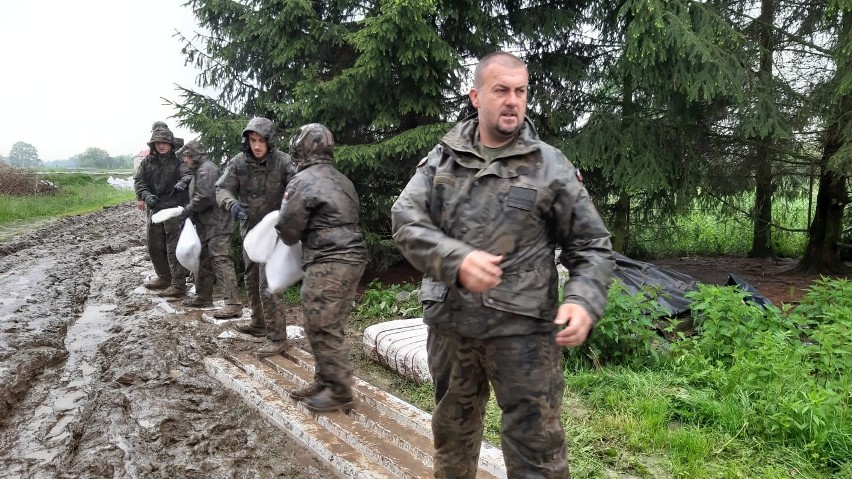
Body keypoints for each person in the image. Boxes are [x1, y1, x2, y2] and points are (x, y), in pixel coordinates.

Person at [391, 52, 615, 478]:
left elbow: (590, 244)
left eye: (520, 91)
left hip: (523, 335)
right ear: (476, 97)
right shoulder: (444, 159)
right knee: (452, 440)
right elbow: (405, 219)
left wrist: (583, 299)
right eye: (501, 90)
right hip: (452, 330)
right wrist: (455, 260)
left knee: (538, 451)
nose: (513, 100)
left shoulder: (550, 166)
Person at [275, 123, 367, 413]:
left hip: (329, 259)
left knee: (321, 323)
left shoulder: (302, 181)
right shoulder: (344, 180)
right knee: (330, 321)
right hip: (352, 258)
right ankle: (325, 378)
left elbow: (289, 229)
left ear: (300, 148)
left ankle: (339, 391)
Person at [216, 117, 296, 357]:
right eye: (253, 140)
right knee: (251, 279)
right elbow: (222, 188)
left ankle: (278, 337)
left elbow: (298, 188)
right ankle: (259, 323)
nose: (257, 145)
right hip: (250, 231)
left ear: (270, 142)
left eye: (261, 140)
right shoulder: (239, 163)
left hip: (277, 231)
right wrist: (231, 205)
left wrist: (287, 212)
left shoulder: (283, 162)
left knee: (268, 284)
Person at [175, 139, 244, 318]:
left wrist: (188, 210)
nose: (185, 160)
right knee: (204, 259)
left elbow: (205, 196)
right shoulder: (199, 170)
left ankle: (233, 303)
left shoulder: (207, 169)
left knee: (221, 260)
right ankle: (203, 296)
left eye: (186, 157)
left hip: (218, 223)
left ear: (193, 155)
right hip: (207, 224)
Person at [134, 123, 192, 297]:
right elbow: (139, 181)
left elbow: (188, 174)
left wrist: (182, 184)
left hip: (174, 209)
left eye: (165, 142)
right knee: (154, 245)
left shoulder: (179, 160)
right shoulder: (147, 162)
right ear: (153, 144)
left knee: (174, 247)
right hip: (155, 208)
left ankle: (178, 285)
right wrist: (145, 195)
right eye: (158, 142)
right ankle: (164, 277)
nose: (161, 146)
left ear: (171, 144)